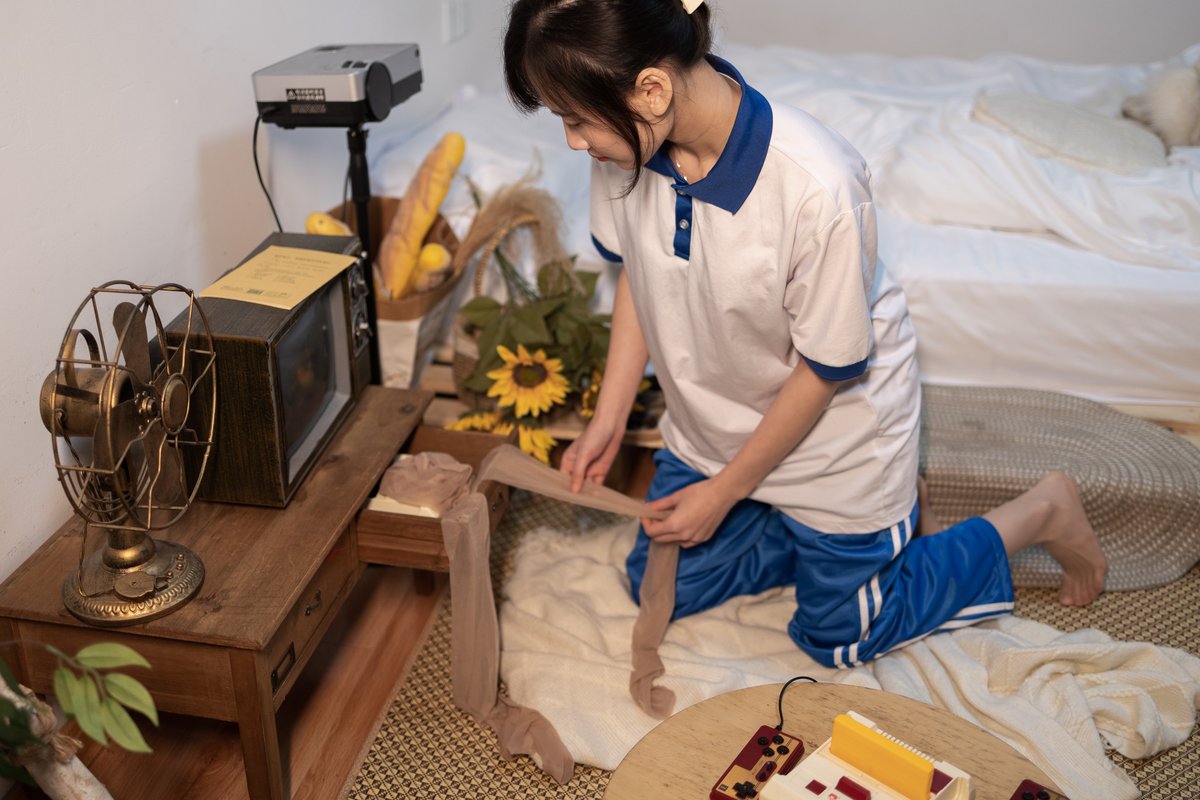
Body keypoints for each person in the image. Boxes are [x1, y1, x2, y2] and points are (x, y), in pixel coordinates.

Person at [502, 0, 1107, 668]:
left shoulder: (819, 185)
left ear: (652, 90)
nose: (574, 141)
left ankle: (1037, 512)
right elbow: (640, 277)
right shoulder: (627, 147)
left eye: (576, 119)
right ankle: (840, 530)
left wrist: (723, 496)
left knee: (839, 636)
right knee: (659, 584)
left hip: (833, 439)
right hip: (714, 429)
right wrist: (608, 420)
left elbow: (825, 370)